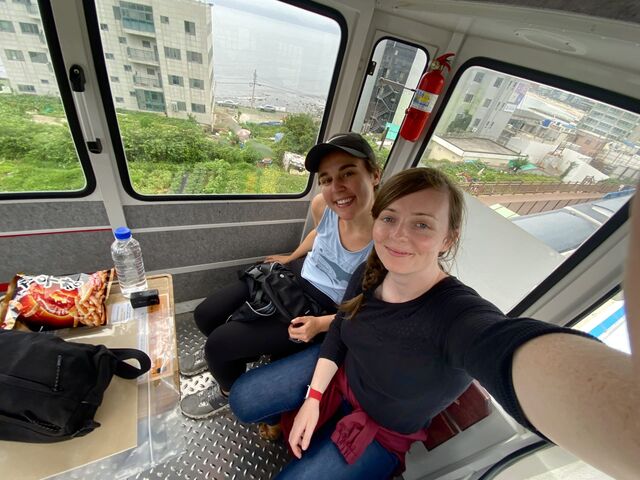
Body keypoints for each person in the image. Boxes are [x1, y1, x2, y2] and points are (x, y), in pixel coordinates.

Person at [229, 167, 640, 479]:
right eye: (389, 218)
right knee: (244, 399)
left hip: (382, 427)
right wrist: (315, 398)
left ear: (448, 239)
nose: (397, 236)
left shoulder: (456, 315)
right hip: (343, 380)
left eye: (422, 224)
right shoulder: (371, 271)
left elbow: (504, 348)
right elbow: (340, 330)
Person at [179, 133, 381, 421]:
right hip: (295, 276)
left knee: (217, 346)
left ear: (374, 174)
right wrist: (291, 256)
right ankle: (227, 358)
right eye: (326, 179)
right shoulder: (323, 205)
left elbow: (373, 312)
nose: (336, 188)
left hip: (321, 308)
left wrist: (321, 325)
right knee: (205, 315)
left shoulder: (386, 243)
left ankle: (225, 388)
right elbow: (319, 234)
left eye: (348, 173)